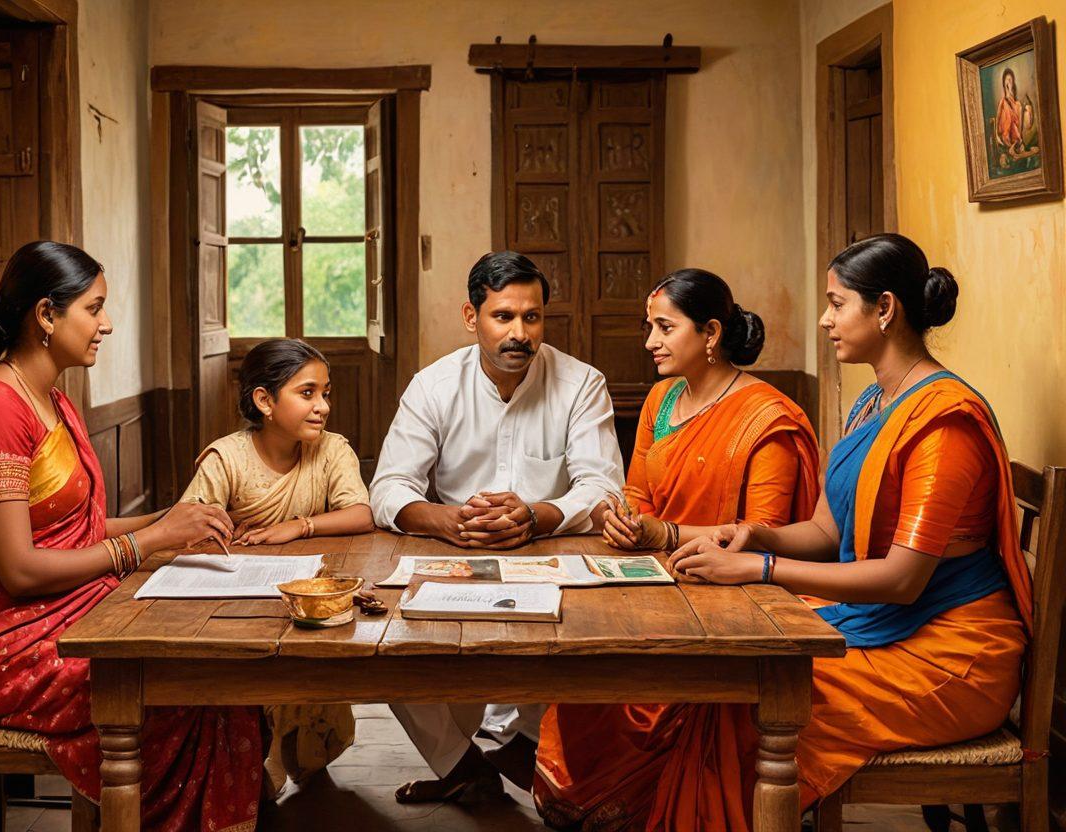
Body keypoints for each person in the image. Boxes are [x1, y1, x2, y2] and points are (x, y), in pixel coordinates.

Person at [551, 234, 1033, 831]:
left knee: (747, 703)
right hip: (886, 629)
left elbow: (905, 580)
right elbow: (826, 531)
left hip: (949, 655)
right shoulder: (873, 403)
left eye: (837, 304)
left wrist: (761, 570)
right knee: (730, 688)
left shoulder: (943, 424)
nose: (825, 320)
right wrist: (753, 537)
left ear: (884, 309)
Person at [0, 241, 263, 831]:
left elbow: (73, 532)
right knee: (184, 685)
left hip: (51, 614)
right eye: (94, 307)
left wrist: (175, 522)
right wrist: (148, 543)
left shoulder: (50, 400)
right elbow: (22, 569)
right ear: (47, 315)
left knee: (213, 668)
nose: (105, 324)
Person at [534, 268, 820, 829]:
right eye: (650, 327)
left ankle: (666, 803)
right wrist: (621, 518)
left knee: (646, 685)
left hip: (733, 594)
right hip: (651, 576)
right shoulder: (663, 399)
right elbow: (638, 492)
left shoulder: (766, 419)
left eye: (665, 327)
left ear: (710, 333)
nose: (649, 342)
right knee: (587, 674)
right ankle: (609, 804)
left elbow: (758, 530)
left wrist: (663, 534)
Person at [370, 250, 623, 804]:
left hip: (551, 556)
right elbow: (389, 487)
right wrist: (445, 521)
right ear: (471, 317)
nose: (519, 333)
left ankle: (520, 744)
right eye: (503, 316)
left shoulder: (581, 384)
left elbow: (603, 489)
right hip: (455, 556)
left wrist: (537, 514)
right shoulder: (433, 386)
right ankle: (465, 765)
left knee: (587, 649)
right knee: (387, 650)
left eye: (531, 318)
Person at [180, 337, 373, 792]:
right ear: (264, 400)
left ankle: (297, 756)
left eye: (326, 392)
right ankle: (245, 767)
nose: (322, 406)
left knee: (311, 670)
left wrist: (299, 526)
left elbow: (361, 513)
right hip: (238, 600)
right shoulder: (227, 458)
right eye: (307, 393)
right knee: (244, 684)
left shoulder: (331, 450)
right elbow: (188, 527)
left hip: (306, 600)